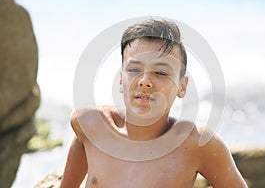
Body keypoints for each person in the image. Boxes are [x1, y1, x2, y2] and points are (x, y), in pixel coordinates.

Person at [60, 19, 247, 188]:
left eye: (161, 72)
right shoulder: (90, 125)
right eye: (134, 69)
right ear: (120, 81)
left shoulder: (196, 143)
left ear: (182, 86)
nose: (144, 81)